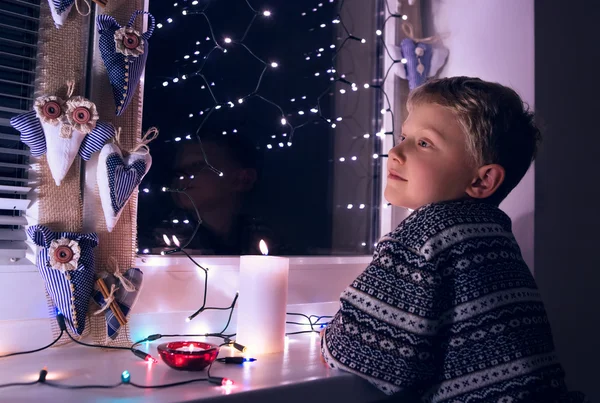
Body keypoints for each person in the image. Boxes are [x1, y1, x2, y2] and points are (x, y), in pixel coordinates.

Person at [320, 77, 587, 402]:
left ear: (483, 179)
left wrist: (328, 339)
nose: (395, 151)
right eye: (404, 136)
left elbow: (365, 356)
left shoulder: (430, 229)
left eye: (424, 143)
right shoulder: (492, 232)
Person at [158, 133, 276, 255]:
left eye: (198, 166)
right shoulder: (160, 241)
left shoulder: (265, 239)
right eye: (178, 171)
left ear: (243, 179)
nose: (182, 176)